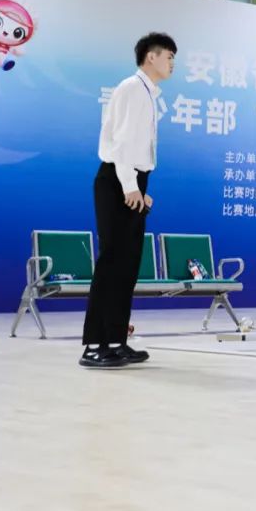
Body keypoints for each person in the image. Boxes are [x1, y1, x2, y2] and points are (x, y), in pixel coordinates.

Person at [80, 32, 176, 368]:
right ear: (151, 56)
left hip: (130, 181)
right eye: (169, 57)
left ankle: (117, 341)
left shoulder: (147, 93)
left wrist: (139, 187)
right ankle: (95, 345)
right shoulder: (132, 88)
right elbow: (120, 143)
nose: (172, 64)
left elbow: (134, 148)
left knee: (127, 266)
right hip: (117, 180)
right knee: (111, 264)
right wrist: (128, 185)